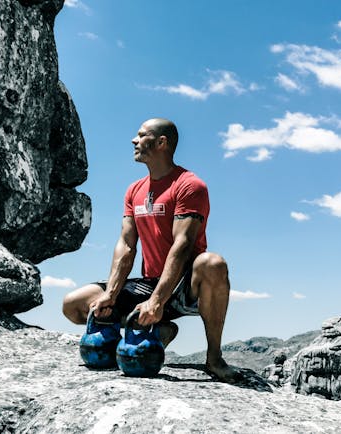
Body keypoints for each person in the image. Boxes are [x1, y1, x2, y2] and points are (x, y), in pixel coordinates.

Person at [62, 118, 238, 382]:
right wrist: (110, 294)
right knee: (73, 304)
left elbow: (182, 245)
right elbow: (126, 244)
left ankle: (214, 359)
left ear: (161, 143)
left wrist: (157, 301)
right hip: (148, 282)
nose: (134, 140)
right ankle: (159, 329)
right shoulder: (135, 190)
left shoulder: (190, 185)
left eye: (141, 135)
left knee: (212, 263)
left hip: (184, 285)